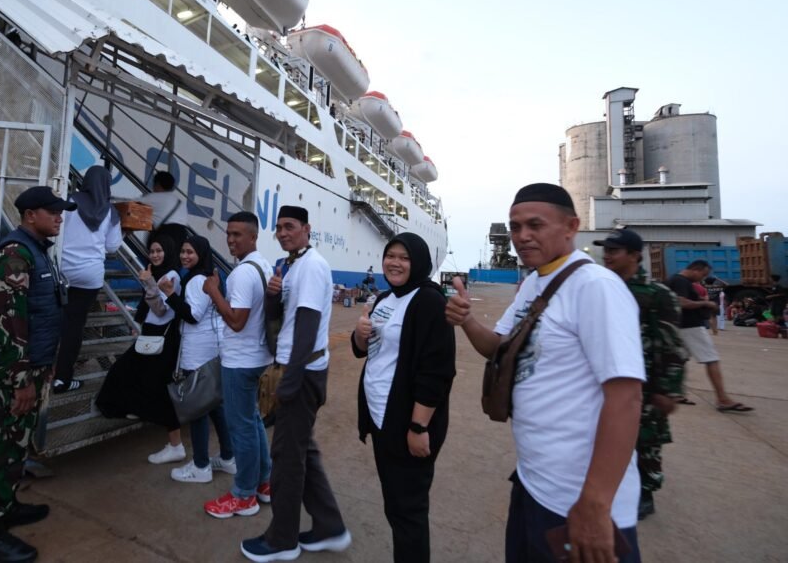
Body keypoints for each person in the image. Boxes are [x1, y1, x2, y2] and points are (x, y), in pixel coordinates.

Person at [445, 183, 645, 563]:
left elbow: (626, 398)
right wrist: (466, 320)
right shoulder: (534, 284)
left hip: (578, 500)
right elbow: (497, 348)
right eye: (515, 227)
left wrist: (596, 503)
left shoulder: (596, 287)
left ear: (571, 227)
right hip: (533, 483)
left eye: (535, 225)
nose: (522, 236)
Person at [0, 186, 75, 563]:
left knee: (15, 445)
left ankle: (6, 506)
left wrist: (43, 365)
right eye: (53, 211)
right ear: (30, 215)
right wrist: (22, 379)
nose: (59, 217)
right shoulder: (14, 255)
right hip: (11, 372)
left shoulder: (38, 251)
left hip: (31, 366)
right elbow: (10, 323)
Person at [241, 205, 349, 562]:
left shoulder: (312, 266)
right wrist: (274, 294)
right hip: (297, 368)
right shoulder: (289, 266)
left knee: (286, 458)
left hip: (301, 371)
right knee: (304, 451)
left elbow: (307, 325)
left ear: (306, 228)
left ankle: (282, 540)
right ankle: (329, 526)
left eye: (290, 226)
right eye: (279, 228)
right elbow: (279, 318)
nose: (283, 233)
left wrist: (291, 378)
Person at [352, 233, 455, 562]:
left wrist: (419, 427)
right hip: (382, 418)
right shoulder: (384, 298)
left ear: (419, 262)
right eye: (390, 256)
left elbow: (437, 371)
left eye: (404, 257)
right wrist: (360, 334)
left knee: (408, 512)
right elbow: (364, 350)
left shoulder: (429, 302)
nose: (395, 263)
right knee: (396, 507)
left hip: (407, 422)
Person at [596, 228, 686, 520]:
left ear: (635, 255)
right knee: (607, 435)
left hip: (644, 382)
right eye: (605, 250)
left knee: (645, 439)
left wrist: (668, 389)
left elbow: (671, 344)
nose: (607, 256)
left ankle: (645, 493)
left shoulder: (657, 294)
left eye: (614, 251)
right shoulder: (601, 288)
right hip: (604, 379)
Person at [201, 212, 274, 518]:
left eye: (237, 235)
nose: (230, 240)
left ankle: (244, 495)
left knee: (241, 428)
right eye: (229, 233)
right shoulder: (263, 265)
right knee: (252, 421)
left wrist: (213, 291)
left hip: (240, 361)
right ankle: (265, 481)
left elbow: (236, 321)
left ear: (253, 236)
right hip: (258, 356)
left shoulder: (243, 273)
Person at [95, 235, 186, 463]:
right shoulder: (158, 273)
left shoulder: (171, 275)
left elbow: (161, 310)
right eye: (152, 251)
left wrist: (149, 283)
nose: (155, 255)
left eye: (159, 250)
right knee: (128, 374)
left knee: (158, 389)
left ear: (168, 252)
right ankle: (137, 409)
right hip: (151, 334)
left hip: (163, 338)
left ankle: (176, 445)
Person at [158, 235, 235, 483]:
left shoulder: (196, 281)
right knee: (215, 406)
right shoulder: (204, 277)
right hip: (210, 349)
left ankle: (201, 466)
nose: (184, 256)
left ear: (201, 254)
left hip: (198, 352)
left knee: (198, 409)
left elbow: (192, 315)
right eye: (182, 251)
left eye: (190, 252)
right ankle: (228, 457)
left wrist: (170, 294)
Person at [54, 165, 122, 393]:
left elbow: (56, 231)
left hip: (63, 271)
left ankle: (42, 373)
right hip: (90, 276)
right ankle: (62, 378)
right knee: (74, 327)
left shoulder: (69, 202)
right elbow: (112, 246)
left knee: (52, 321)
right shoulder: (111, 212)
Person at [667, 261, 753, 413]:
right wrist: (705, 304)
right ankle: (722, 399)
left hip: (681, 325)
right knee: (711, 359)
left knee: (679, 359)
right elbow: (681, 302)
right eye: (703, 274)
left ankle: (675, 393)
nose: (702, 278)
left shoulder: (676, 280)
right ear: (695, 269)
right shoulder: (681, 281)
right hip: (691, 326)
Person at [138, 171, 188, 249]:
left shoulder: (155, 197)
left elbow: (130, 203)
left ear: (157, 184)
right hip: (182, 236)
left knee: (157, 255)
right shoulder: (181, 202)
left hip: (165, 235)